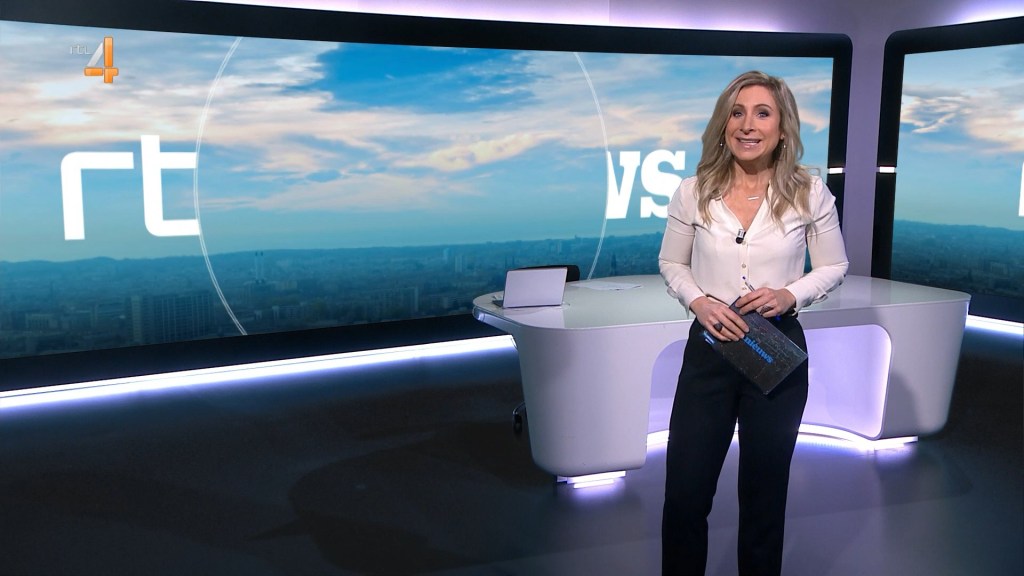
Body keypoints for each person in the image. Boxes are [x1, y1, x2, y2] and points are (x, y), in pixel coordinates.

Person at [658, 70, 849, 575]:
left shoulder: (810, 192)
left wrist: (790, 293)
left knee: (764, 501)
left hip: (775, 352)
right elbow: (672, 263)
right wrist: (699, 301)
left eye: (762, 113)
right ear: (723, 125)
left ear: (782, 128)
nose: (748, 125)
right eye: (737, 113)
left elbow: (834, 265)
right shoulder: (693, 191)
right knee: (684, 495)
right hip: (710, 349)